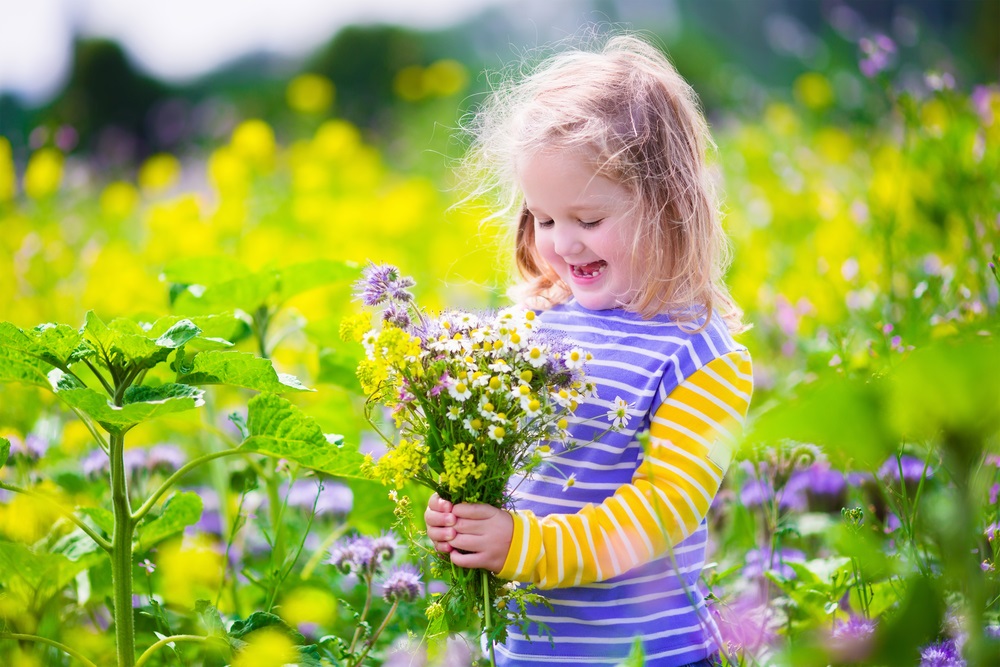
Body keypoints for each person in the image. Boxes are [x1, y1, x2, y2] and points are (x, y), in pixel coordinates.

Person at [424, 32, 753, 667]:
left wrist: (521, 545)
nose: (563, 244)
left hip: (651, 656)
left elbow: (661, 511)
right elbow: (508, 468)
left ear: (668, 206)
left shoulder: (700, 354)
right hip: (530, 653)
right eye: (544, 220)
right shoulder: (537, 327)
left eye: (589, 220)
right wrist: (462, 515)